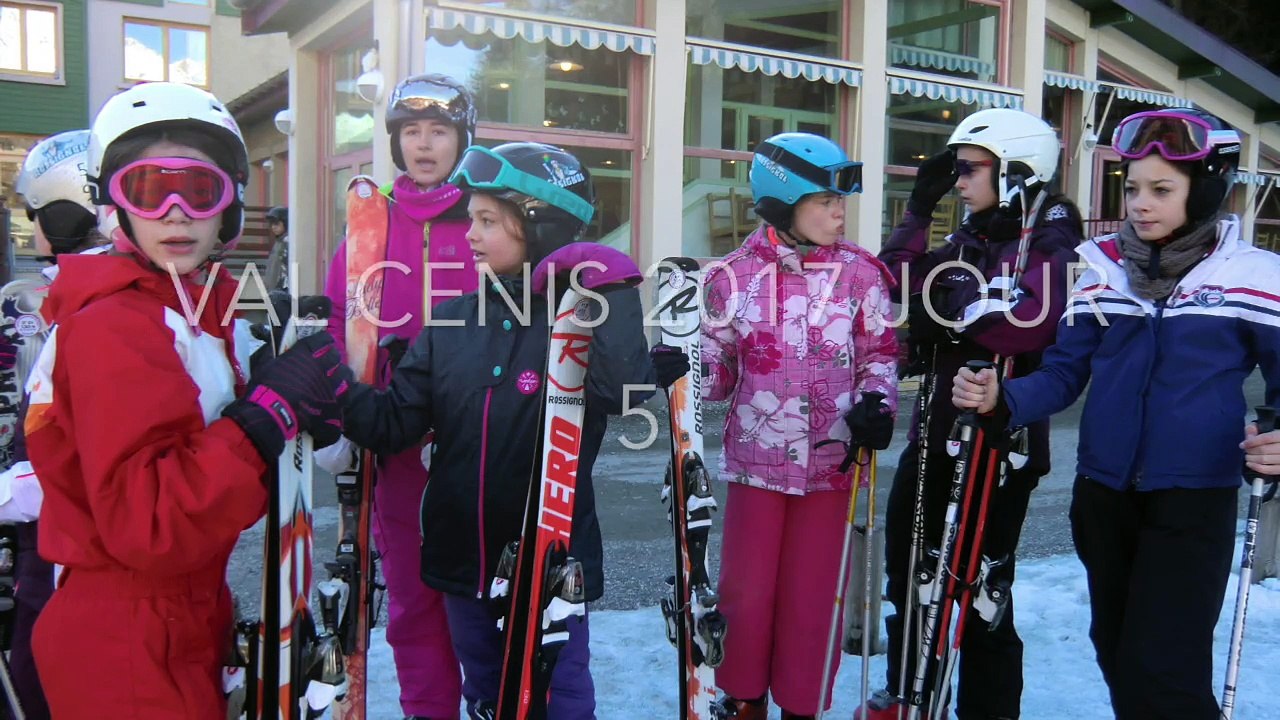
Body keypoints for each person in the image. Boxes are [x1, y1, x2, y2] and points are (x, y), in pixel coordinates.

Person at [23, 81, 349, 719]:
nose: (175, 212)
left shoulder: (184, 308)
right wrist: (264, 417)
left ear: (227, 207)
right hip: (128, 640)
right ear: (112, 204)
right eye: (147, 188)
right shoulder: (115, 324)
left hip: (178, 619)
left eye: (199, 191)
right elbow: (151, 525)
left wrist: (280, 376)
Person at [338, 141, 685, 720]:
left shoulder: (576, 321)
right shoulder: (450, 323)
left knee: (562, 693)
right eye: (470, 219)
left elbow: (620, 392)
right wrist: (333, 388)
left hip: (553, 564)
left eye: (486, 221)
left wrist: (614, 286)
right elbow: (393, 424)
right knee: (487, 691)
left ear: (538, 223)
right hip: (463, 559)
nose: (469, 234)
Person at [953, 108, 1280, 720]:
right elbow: (1063, 372)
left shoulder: (1254, 277)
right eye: (1131, 188)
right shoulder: (1101, 268)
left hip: (1191, 500)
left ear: (1203, 191)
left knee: (1166, 666)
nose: (1139, 204)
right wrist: (1005, 400)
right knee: (1119, 653)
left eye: (1161, 189)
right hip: (1102, 496)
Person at [864, 108, 1083, 720]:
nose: (958, 182)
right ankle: (907, 689)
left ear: (1014, 171)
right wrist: (916, 212)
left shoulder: (1051, 240)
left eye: (968, 170)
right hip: (936, 433)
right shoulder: (972, 237)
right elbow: (894, 283)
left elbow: (1026, 323)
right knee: (911, 572)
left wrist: (947, 317)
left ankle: (985, 709)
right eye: (952, 172)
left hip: (1001, 440)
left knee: (983, 591)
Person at [701, 132, 900, 720]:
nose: (839, 214)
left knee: (814, 600)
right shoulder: (732, 277)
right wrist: (684, 367)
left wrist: (877, 403)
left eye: (842, 203)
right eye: (825, 202)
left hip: (833, 466)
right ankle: (741, 700)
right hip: (758, 467)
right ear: (783, 203)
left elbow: (880, 354)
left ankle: (801, 704)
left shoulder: (862, 275)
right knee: (748, 595)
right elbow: (718, 370)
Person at [318, 72, 481, 720]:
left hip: (477, 433)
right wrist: (344, 406)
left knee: (481, 592)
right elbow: (339, 317)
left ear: (461, 140)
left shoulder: (485, 215)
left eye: (439, 131)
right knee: (415, 600)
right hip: (397, 439)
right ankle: (428, 710)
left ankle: (494, 701)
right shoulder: (371, 219)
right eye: (411, 131)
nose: (424, 144)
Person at [2, 127, 106, 720]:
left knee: (39, 684)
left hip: (66, 558)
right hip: (63, 546)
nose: (31, 228)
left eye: (38, 213)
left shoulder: (86, 304)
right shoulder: (66, 293)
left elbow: (71, 461)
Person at [263, 205, 289, 291]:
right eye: (272, 224)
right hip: (273, 290)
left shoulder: (287, 243)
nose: (273, 227)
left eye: (277, 224)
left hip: (282, 289)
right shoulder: (278, 242)